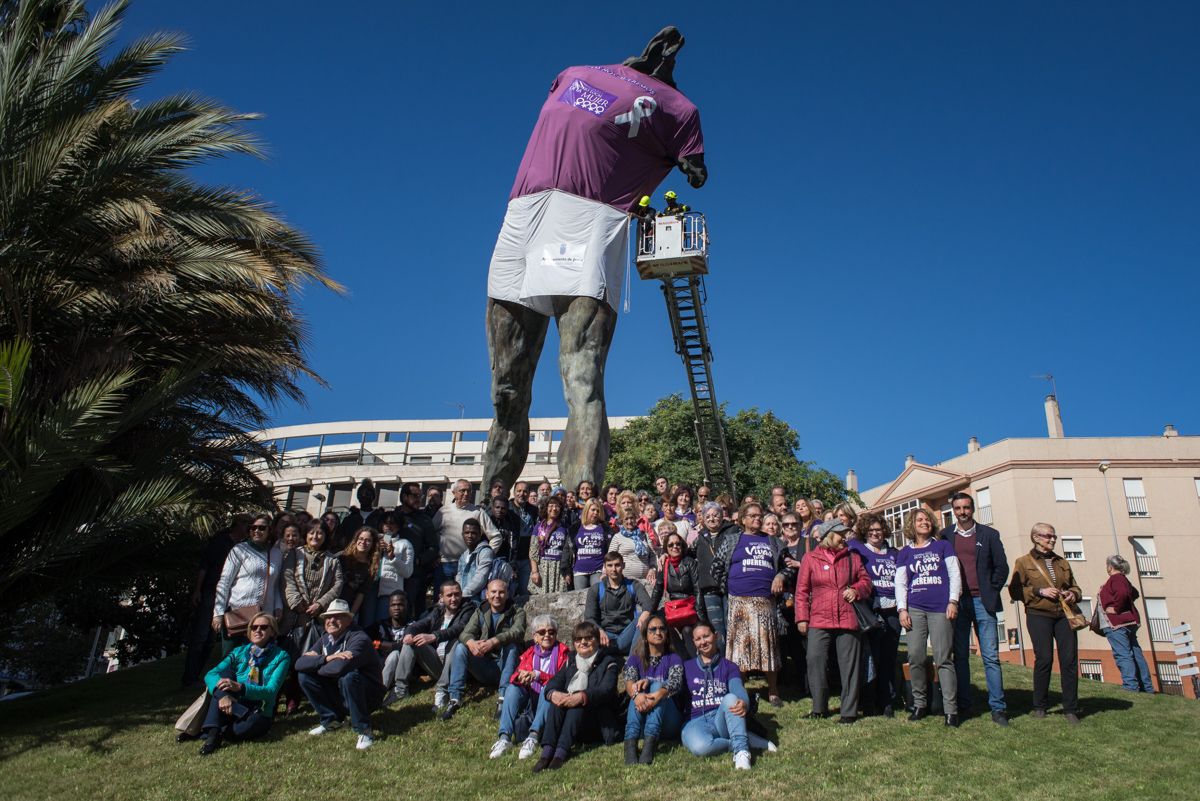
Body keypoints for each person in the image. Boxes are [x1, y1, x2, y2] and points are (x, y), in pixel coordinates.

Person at [940, 491, 1010, 725]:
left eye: (966, 508)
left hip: (983, 602)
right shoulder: (945, 536)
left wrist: (990, 589)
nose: (962, 512)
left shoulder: (989, 534)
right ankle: (965, 704)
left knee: (990, 657)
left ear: (973, 509)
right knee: (960, 656)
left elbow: (1002, 567)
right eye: (958, 508)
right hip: (957, 603)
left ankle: (998, 708)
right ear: (953, 510)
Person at [795, 520, 873, 723]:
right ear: (829, 535)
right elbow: (801, 591)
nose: (844, 538)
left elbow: (866, 582)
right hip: (819, 618)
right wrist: (802, 617)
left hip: (848, 617)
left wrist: (856, 590)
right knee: (815, 661)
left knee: (850, 666)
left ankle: (849, 712)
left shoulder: (853, 558)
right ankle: (819, 707)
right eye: (840, 534)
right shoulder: (810, 558)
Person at [712, 501, 785, 707]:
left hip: (765, 603)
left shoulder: (773, 541)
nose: (757, 519)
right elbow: (716, 567)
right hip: (739, 603)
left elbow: (789, 567)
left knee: (768, 646)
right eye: (752, 515)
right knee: (739, 649)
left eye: (760, 515)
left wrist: (780, 575)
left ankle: (773, 690)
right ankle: (739, 689)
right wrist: (729, 588)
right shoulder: (732, 539)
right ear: (742, 519)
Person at [1008, 523, 1083, 724]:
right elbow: (1015, 591)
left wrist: (1072, 594)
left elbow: (1076, 587)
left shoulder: (1062, 563)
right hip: (1038, 614)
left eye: (1054, 536)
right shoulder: (1023, 562)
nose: (1052, 539)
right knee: (1044, 658)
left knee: (1069, 660)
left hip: (1064, 615)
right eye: (1048, 536)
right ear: (1035, 538)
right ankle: (1040, 705)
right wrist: (1039, 591)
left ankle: (1071, 708)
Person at [895, 508, 962, 726]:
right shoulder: (905, 552)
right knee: (915, 656)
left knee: (943, 658)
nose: (924, 523)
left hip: (940, 608)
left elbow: (954, 574)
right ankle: (919, 704)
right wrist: (902, 609)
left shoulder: (943, 546)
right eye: (919, 520)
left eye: (926, 519)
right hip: (914, 608)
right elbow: (901, 583)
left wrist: (953, 601)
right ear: (911, 525)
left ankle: (951, 710)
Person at [680, 623, 775, 771]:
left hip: (722, 718)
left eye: (706, 636)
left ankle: (742, 751)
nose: (703, 642)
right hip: (695, 721)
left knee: (731, 698)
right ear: (694, 643)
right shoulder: (686, 667)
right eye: (698, 639)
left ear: (715, 636)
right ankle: (743, 738)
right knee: (701, 748)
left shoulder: (729, 666)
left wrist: (743, 701)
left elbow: (737, 688)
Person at [193, 612, 291, 755]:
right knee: (225, 676)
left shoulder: (281, 657)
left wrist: (241, 688)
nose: (258, 630)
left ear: (272, 632)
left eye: (263, 627)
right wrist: (222, 696)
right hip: (231, 703)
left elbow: (271, 691)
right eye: (254, 627)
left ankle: (210, 730)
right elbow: (210, 674)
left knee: (244, 729)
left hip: (258, 709)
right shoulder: (239, 652)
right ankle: (212, 737)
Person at [295, 599, 386, 750]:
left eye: (337, 616)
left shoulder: (359, 638)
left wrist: (315, 663)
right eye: (328, 617)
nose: (331, 620)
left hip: (367, 694)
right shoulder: (325, 639)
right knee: (305, 676)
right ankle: (331, 721)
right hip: (341, 691)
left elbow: (340, 668)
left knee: (348, 676)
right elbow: (299, 664)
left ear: (349, 620)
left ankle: (364, 730)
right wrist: (327, 658)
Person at [531, 621, 622, 772]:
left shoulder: (608, 663)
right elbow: (554, 682)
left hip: (595, 719)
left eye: (588, 638)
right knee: (557, 701)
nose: (583, 642)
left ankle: (560, 753)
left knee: (577, 703)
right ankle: (546, 753)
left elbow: (606, 690)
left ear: (597, 641)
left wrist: (582, 696)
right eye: (578, 639)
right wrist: (553, 694)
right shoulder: (570, 660)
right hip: (569, 722)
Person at [442, 579, 527, 720]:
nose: (497, 596)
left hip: (507, 666)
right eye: (493, 592)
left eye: (501, 592)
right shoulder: (481, 610)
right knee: (461, 647)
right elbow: (465, 633)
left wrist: (494, 641)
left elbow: (518, 632)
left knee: (511, 646)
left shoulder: (517, 611)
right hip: (485, 665)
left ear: (507, 594)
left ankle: (503, 698)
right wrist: (471, 643)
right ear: (487, 594)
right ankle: (455, 698)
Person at [182, 513, 249, 685]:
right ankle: (189, 677)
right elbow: (205, 565)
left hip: (229, 596)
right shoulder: (220, 541)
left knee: (211, 639)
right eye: (245, 523)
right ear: (236, 525)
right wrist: (198, 590)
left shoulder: (243, 546)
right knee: (201, 636)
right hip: (211, 591)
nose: (247, 527)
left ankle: (197, 675)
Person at [490, 614, 569, 760]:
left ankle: (533, 736)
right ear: (535, 637)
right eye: (542, 632)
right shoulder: (529, 653)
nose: (547, 635)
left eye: (551, 632)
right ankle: (504, 737)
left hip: (551, 702)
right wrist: (522, 677)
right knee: (512, 688)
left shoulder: (564, 653)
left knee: (548, 689)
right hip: (530, 699)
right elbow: (514, 676)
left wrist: (538, 675)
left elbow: (563, 680)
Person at [393, 581, 475, 709]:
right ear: (441, 597)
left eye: (457, 594)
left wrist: (434, 636)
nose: (454, 599)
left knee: (457, 641)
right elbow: (420, 624)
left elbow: (460, 628)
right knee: (412, 641)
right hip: (437, 663)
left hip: (456, 666)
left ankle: (442, 690)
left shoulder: (468, 609)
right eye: (449, 595)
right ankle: (400, 689)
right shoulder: (438, 611)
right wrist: (409, 633)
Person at [849, 513, 901, 716]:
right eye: (870, 531)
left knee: (889, 657)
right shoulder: (858, 549)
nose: (875, 533)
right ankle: (868, 701)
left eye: (878, 530)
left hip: (893, 610)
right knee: (872, 658)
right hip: (871, 610)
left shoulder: (894, 553)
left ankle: (887, 700)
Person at [212, 514, 284, 647]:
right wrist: (218, 613)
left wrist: (278, 607)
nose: (256, 531)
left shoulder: (276, 554)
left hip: (263, 617)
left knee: (256, 660)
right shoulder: (239, 550)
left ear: (269, 530)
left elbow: (276, 585)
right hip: (237, 613)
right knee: (231, 659)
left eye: (261, 528)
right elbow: (224, 582)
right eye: (253, 527)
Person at [622, 612, 685, 765]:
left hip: (668, 721)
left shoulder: (674, 658)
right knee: (637, 687)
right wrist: (636, 695)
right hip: (642, 719)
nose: (658, 632)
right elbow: (629, 681)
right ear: (645, 634)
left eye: (662, 629)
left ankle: (649, 747)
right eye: (653, 629)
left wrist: (658, 694)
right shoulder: (635, 659)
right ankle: (630, 746)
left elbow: (676, 683)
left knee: (657, 685)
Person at [1098, 554, 1155, 693]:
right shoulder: (1124, 579)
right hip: (1129, 622)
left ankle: (1131, 686)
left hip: (1117, 624)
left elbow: (1123, 594)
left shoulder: (1115, 579)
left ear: (1110, 567)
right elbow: (1133, 593)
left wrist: (1116, 608)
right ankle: (1146, 687)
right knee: (1135, 653)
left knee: (1122, 654)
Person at [433, 479, 500, 585]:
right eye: (462, 490)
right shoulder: (443, 511)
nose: (466, 494)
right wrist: (434, 554)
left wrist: (484, 556)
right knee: (443, 599)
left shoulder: (478, 512)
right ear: (454, 493)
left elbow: (496, 536)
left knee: (466, 598)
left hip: (468, 564)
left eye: (469, 491)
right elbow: (431, 534)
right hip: (444, 564)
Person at [649, 530, 704, 657]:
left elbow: (697, 589)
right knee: (663, 628)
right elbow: (657, 590)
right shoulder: (665, 565)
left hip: (690, 606)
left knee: (687, 630)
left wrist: (701, 617)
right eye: (671, 545)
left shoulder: (690, 562)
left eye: (678, 544)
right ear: (666, 549)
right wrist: (650, 612)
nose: (675, 547)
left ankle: (692, 664)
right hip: (674, 607)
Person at [584, 552, 652, 653]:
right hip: (606, 638)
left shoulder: (633, 585)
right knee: (587, 630)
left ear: (623, 566)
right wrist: (599, 630)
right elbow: (589, 618)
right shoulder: (596, 589)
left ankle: (632, 663)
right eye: (610, 565)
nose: (613, 569)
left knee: (644, 619)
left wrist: (645, 614)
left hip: (629, 635)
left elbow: (648, 604)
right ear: (604, 567)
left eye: (617, 565)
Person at [775, 512, 809, 694]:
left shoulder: (809, 544)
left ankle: (807, 684)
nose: (790, 528)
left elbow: (818, 566)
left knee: (804, 644)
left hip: (803, 599)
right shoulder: (778, 545)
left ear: (800, 525)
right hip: (782, 600)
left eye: (794, 524)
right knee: (784, 642)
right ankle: (786, 682)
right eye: (786, 525)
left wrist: (799, 564)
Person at [694, 501, 734, 649]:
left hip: (729, 587)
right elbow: (685, 552)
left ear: (722, 516)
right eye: (708, 516)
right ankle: (722, 664)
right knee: (717, 630)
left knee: (732, 627)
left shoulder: (733, 531)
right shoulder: (700, 537)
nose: (712, 519)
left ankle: (735, 666)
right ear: (703, 519)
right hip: (709, 589)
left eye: (715, 515)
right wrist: (665, 554)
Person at [398, 482, 439, 617]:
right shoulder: (392, 516)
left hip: (414, 575)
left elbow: (433, 548)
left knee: (410, 611)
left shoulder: (425, 520)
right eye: (415, 495)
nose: (419, 499)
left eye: (420, 496)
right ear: (404, 496)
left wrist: (418, 561)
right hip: (391, 575)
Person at [371, 513, 415, 627]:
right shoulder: (372, 541)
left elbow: (408, 572)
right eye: (386, 523)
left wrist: (392, 557)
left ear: (398, 526)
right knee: (367, 624)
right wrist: (376, 550)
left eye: (393, 523)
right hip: (369, 590)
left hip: (388, 593)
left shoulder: (404, 544)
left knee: (382, 628)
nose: (389, 526)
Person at [368, 591, 410, 707]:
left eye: (400, 604)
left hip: (404, 669)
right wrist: (378, 644)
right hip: (381, 667)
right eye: (393, 605)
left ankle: (379, 692)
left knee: (395, 654)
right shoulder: (379, 626)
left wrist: (385, 645)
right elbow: (365, 640)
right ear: (389, 607)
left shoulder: (413, 625)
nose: (396, 608)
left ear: (407, 605)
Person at [565, 498, 611, 589]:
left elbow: (609, 550)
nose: (595, 513)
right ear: (586, 510)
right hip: (579, 570)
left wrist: (606, 570)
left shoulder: (605, 528)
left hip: (598, 570)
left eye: (598, 511)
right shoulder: (575, 527)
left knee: (597, 597)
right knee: (579, 600)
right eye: (593, 510)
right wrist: (566, 571)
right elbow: (567, 551)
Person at [529, 495, 570, 594]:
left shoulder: (564, 528)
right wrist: (535, 571)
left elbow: (568, 552)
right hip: (543, 567)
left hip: (559, 569)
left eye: (557, 506)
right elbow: (533, 550)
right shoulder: (538, 527)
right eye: (551, 505)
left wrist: (567, 572)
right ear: (546, 508)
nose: (554, 509)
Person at [338, 526, 380, 623]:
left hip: (348, 606)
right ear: (356, 540)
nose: (363, 542)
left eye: (368, 540)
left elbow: (361, 594)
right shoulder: (342, 557)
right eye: (361, 539)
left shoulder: (371, 567)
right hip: (331, 603)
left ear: (373, 544)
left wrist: (351, 615)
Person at [610, 508, 657, 582]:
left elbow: (653, 555)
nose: (629, 521)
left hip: (646, 579)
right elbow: (610, 558)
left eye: (632, 518)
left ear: (636, 519)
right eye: (626, 519)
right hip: (625, 580)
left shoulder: (644, 535)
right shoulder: (617, 537)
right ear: (622, 521)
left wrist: (652, 568)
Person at [456, 518, 496, 602]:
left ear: (480, 535)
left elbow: (481, 577)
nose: (469, 536)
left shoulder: (485, 552)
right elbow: (458, 578)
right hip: (462, 599)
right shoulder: (463, 555)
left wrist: (462, 594)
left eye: (473, 533)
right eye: (467, 533)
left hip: (477, 600)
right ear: (462, 534)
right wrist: (456, 594)